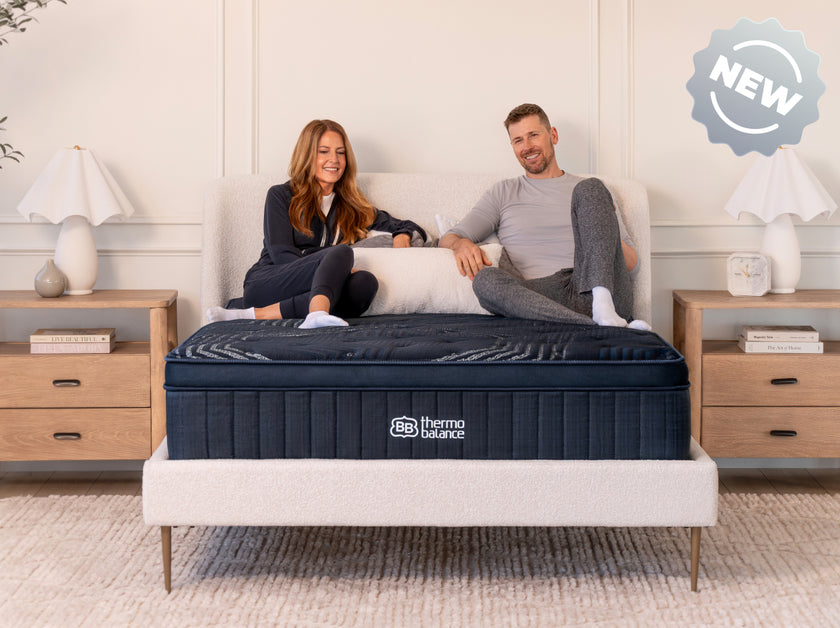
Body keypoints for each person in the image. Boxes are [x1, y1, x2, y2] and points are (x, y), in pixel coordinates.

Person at [439, 103, 651, 330]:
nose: (527, 147)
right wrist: (460, 244)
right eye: (518, 140)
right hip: (545, 295)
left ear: (553, 135)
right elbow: (450, 237)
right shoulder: (503, 193)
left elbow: (632, 265)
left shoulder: (591, 193)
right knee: (485, 282)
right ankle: (597, 324)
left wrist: (600, 227)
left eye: (534, 135)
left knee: (591, 187)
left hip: (600, 287)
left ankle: (603, 306)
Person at [206, 119, 425, 328]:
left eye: (341, 153)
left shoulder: (353, 206)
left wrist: (402, 234)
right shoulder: (280, 196)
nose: (335, 159)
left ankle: (257, 314)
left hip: (313, 288)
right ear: (307, 156)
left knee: (365, 283)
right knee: (340, 254)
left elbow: (410, 226)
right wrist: (335, 268)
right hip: (268, 283)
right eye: (324, 152)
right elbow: (281, 255)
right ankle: (317, 312)